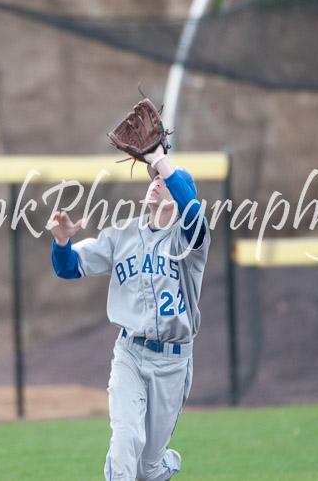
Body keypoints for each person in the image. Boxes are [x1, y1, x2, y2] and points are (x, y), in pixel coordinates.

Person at [48, 144, 210, 481]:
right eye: (153, 179)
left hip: (173, 362)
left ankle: (165, 465)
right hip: (130, 355)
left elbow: (194, 215)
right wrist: (62, 242)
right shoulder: (121, 236)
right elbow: (68, 268)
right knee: (124, 442)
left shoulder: (190, 242)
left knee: (147, 467)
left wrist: (161, 160)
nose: (156, 181)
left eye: (164, 181)